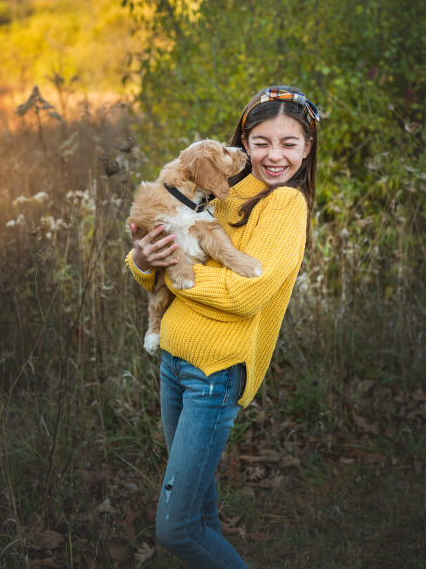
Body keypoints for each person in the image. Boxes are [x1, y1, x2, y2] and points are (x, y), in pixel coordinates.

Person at [125, 85, 320, 568]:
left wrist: (177, 272)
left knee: (176, 528)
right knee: (201, 515)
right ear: (243, 142)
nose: (274, 156)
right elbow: (152, 260)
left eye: (289, 143)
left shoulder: (285, 208)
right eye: (261, 142)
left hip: (213, 374)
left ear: (307, 148)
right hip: (173, 360)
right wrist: (141, 257)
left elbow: (247, 293)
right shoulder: (218, 188)